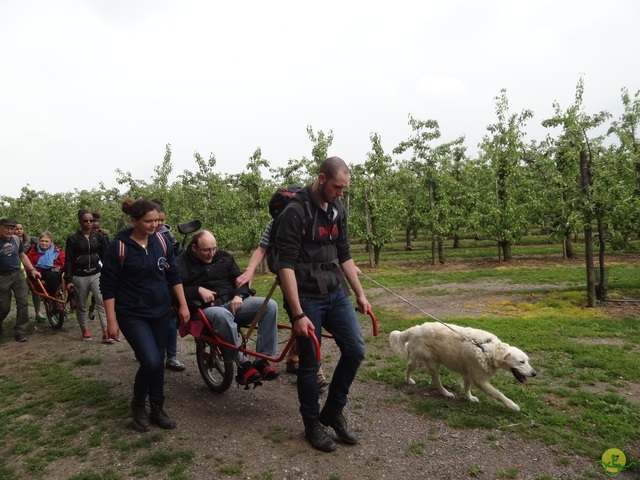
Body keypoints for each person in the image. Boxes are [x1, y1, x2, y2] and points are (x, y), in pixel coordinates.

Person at [276, 156, 371, 453]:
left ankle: (332, 410)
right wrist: (298, 313)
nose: (340, 193)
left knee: (355, 350)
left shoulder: (338, 208)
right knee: (309, 362)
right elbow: (285, 266)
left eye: (344, 189)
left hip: (334, 290)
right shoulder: (296, 211)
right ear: (321, 178)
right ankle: (311, 423)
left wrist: (360, 294)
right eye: (337, 187)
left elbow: (344, 253)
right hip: (305, 296)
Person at [100, 199, 190, 432]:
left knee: (157, 362)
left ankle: (157, 407)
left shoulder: (161, 240)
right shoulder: (119, 248)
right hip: (132, 313)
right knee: (150, 361)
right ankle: (139, 402)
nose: (154, 225)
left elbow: (173, 273)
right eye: (149, 221)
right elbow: (108, 285)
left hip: (161, 311)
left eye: (157, 221)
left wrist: (182, 304)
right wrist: (111, 322)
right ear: (134, 220)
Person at [236, 219, 330, 392]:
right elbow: (262, 248)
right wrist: (249, 271)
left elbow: (325, 248)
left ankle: (294, 358)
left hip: (313, 277)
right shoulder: (276, 222)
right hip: (290, 279)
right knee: (305, 319)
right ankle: (316, 371)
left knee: (302, 319)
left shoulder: (312, 218)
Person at [177, 229, 280, 385]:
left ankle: (262, 360)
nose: (211, 253)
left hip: (231, 303)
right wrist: (197, 290)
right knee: (221, 314)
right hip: (204, 309)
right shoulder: (180, 263)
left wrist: (240, 295)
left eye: (214, 249)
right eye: (206, 250)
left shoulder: (224, 257)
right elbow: (172, 289)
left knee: (270, 305)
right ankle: (242, 364)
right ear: (194, 248)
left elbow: (242, 280)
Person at [65, 210, 113, 343]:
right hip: (79, 275)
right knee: (81, 304)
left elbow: (105, 256)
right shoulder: (73, 239)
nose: (88, 223)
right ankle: (84, 330)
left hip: (96, 273)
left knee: (101, 302)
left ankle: (106, 332)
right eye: (85, 220)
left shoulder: (98, 237)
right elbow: (68, 260)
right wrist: (68, 279)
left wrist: (109, 272)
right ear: (80, 222)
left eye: (91, 220)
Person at [152, 199, 185, 372]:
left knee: (172, 319)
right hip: (149, 290)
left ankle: (171, 356)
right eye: (157, 220)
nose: (160, 224)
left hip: (167, 286)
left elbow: (176, 260)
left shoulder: (167, 236)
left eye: (162, 220)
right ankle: (150, 353)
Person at [0, 218, 41, 341]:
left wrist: (32, 269)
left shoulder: (17, 240)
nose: (10, 231)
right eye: (7, 228)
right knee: (4, 306)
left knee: (23, 303)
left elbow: (22, 256)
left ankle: (20, 331)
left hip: (18, 274)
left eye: (12, 228)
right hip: (2, 276)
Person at [15, 222, 45, 321]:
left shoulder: (29, 240)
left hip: (30, 267)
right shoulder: (10, 241)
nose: (19, 231)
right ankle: (23, 316)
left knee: (35, 290)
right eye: (16, 229)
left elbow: (41, 245)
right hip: (18, 271)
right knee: (23, 294)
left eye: (21, 228)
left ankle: (38, 313)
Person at [26, 232, 66, 301]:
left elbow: (64, 262)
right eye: (42, 241)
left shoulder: (56, 251)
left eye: (47, 241)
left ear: (51, 242)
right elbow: (27, 264)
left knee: (53, 275)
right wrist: (33, 270)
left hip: (54, 272)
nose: (44, 243)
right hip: (38, 273)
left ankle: (56, 298)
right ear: (39, 241)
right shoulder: (33, 251)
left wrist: (55, 266)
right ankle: (53, 298)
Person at [88, 212, 110, 320]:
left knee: (99, 289)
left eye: (98, 228)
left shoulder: (104, 237)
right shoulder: (84, 237)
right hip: (89, 266)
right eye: (94, 228)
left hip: (101, 265)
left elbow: (108, 251)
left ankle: (95, 307)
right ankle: (91, 307)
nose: (96, 230)